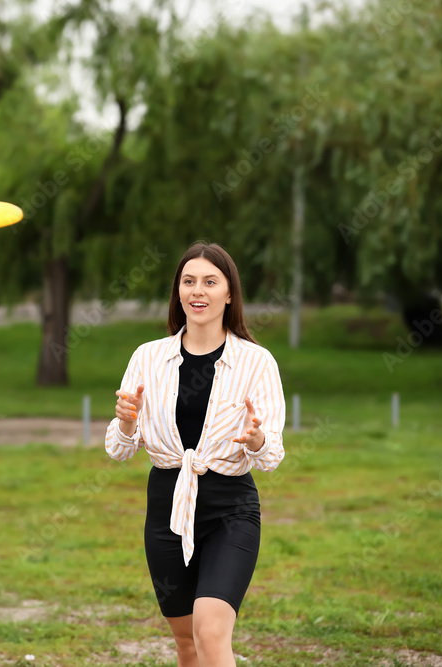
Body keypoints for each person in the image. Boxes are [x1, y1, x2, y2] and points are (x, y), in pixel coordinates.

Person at [105, 241, 286, 667]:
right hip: (166, 508)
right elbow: (117, 448)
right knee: (187, 643)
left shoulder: (257, 363)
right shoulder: (148, 357)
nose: (197, 291)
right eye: (189, 281)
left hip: (231, 509)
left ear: (229, 293)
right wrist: (128, 421)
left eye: (210, 281)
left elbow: (273, 454)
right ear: (178, 291)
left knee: (210, 631)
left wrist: (257, 440)